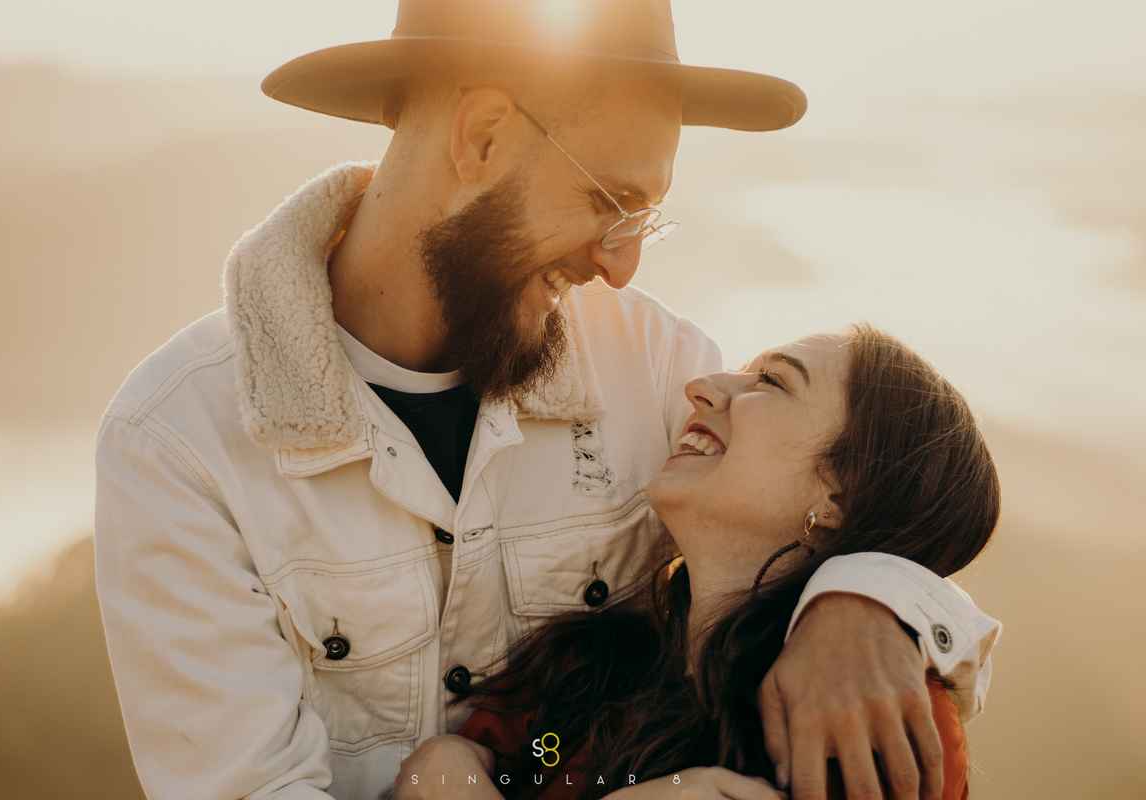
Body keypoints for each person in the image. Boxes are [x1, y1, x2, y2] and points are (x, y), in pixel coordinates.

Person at [93, 2, 1000, 799]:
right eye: (611, 200)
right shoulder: (178, 443)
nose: (621, 264)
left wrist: (858, 600)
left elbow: (827, 511)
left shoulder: (656, 368)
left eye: (644, 218)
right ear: (481, 138)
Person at [394, 325, 995, 800]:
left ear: (838, 496)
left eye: (773, 383)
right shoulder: (585, 676)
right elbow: (514, 766)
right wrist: (440, 764)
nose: (704, 385)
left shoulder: (861, 722)